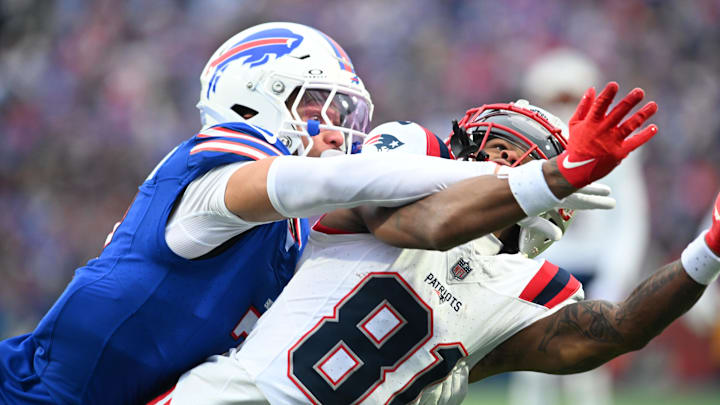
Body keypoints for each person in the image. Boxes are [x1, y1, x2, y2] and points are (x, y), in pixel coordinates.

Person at [0, 23, 625, 404]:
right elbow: (330, 176)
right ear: (256, 96)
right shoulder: (218, 165)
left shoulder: (294, 231)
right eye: (318, 106)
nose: (334, 129)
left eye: (341, 114)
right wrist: (524, 175)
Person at [162, 83, 665, 405]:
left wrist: (707, 252)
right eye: (492, 145)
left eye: (508, 152)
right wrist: (555, 176)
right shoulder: (411, 157)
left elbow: (620, 328)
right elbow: (417, 226)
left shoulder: (526, 288)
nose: (488, 154)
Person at [509, 47, 651, 405]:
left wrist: (615, 276)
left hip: (589, 267)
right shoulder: (524, 147)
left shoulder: (615, 153)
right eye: (552, 98)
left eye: (569, 97)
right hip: (539, 267)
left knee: (587, 373)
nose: (560, 108)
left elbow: (629, 219)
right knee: (530, 371)